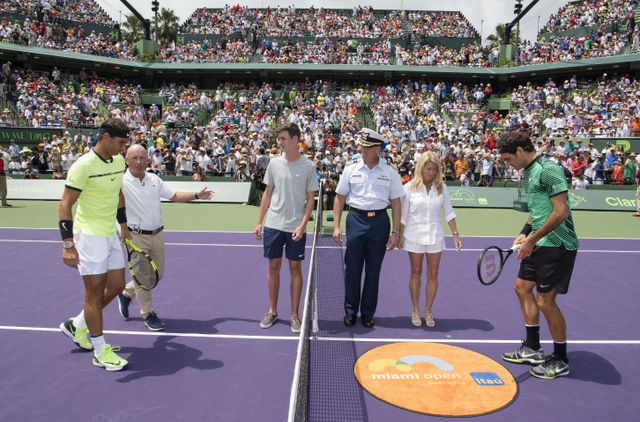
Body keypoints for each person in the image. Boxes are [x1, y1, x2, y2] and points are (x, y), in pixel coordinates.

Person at [497, 130, 578, 380]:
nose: (509, 165)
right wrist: (525, 233)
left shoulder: (548, 170)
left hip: (557, 243)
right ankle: (532, 348)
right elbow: (539, 210)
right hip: (537, 241)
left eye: (509, 159)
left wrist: (531, 240)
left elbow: (560, 211)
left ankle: (561, 358)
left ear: (521, 151)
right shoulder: (530, 172)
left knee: (545, 301)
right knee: (521, 287)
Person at [58, 119, 131, 372]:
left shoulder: (119, 161)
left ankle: (77, 323)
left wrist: (123, 225)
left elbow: (118, 193)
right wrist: (68, 244)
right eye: (121, 142)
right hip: (88, 236)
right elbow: (65, 204)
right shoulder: (83, 166)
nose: (124, 148)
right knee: (94, 293)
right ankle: (100, 350)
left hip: (110, 232)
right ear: (106, 136)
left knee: (118, 286)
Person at [117, 144, 213, 331]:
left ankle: (126, 293)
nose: (138, 161)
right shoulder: (120, 183)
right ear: (126, 160)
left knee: (157, 275)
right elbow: (114, 208)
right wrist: (121, 229)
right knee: (144, 276)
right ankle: (148, 313)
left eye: (142, 157)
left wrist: (196, 195)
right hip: (135, 236)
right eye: (134, 158)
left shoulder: (154, 178)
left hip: (158, 234)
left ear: (148, 159)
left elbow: (173, 195)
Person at [332, 128, 404, 329]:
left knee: (373, 271)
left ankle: (368, 313)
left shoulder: (390, 172)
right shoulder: (351, 169)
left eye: (366, 146)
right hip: (355, 220)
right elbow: (339, 198)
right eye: (362, 145)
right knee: (352, 269)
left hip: (380, 222)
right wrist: (336, 226)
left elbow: (396, 203)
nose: (362, 149)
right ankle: (350, 311)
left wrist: (396, 232)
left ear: (377, 149)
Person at [252, 122, 318, 333]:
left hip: (295, 228)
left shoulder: (309, 166)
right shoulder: (273, 164)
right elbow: (267, 194)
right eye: (278, 139)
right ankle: (272, 310)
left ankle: (294, 315)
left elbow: (310, 201)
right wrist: (259, 221)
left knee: (295, 268)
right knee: (273, 267)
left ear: (296, 140)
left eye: (283, 139)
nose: (280, 143)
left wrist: (302, 225)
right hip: (273, 225)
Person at [399, 152, 462, 328]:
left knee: (433, 274)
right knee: (416, 272)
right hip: (414, 235)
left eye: (434, 169)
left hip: (435, 235)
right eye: (428, 168)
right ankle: (415, 310)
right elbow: (403, 215)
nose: (431, 172)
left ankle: (428, 310)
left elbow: (448, 212)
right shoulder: (409, 187)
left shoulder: (441, 188)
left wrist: (456, 234)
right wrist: (398, 235)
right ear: (421, 168)